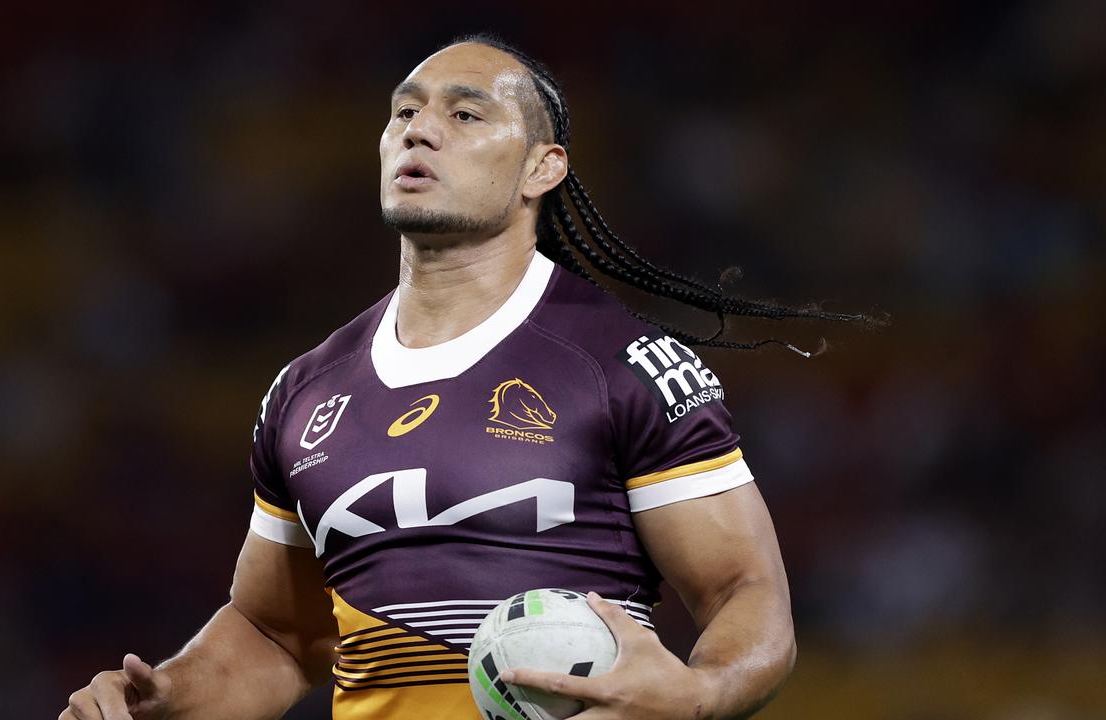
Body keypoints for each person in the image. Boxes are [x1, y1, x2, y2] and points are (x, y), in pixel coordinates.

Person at [61, 33, 869, 720]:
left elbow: (747, 594)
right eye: (404, 111)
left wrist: (699, 693)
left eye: (465, 113)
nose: (418, 131)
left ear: (541, 169)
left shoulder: (620, 366)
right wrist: (165, 697)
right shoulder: (304, 390)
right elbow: (279, 634)